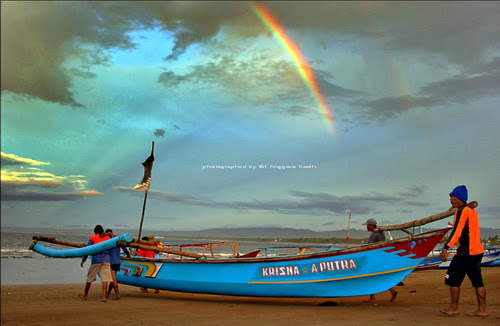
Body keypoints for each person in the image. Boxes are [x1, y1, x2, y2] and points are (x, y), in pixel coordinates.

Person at [439, 185, 487, 317]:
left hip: (465, 252)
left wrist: (446, 247)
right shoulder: (471, 211)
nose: (451, 200)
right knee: (478, 281)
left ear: (459, 198)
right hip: (477, 252)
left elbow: (457, 231)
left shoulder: (463, 211)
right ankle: (482, 310)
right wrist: (455, 209)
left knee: (453, 278)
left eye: (453, 198)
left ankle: (454, 307)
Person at [363, 218, 398, 303]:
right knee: (378, 277)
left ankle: (372, 298)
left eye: (367, 225)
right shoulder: (381, 233)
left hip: (374, 260)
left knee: (371, 277)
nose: (366, 227)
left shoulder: (375, 234)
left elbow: (370, 247)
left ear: (371, 225)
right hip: (380, 259)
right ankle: (391, 291)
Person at [79, 225, 112, 302]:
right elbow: (110, 249)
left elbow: (87, 250)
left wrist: (83, 260)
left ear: (95, 232)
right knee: (105, 279)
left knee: (90, 277)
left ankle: (85, 295)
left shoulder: (93, 238)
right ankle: (104, 297)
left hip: (96, 259)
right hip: (106, 259)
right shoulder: (107, 238)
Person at [105, 229, 131, 300]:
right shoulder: (118, 241)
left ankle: (117, 294)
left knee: (113, 279)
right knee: (112, 279)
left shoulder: (110, 242)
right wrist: (128, 255)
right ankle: (107, 294)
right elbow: (125, 249)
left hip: (112, 262)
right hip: (117, 262)